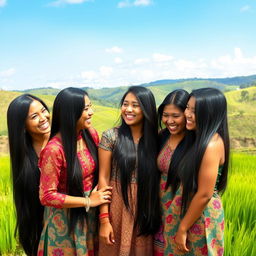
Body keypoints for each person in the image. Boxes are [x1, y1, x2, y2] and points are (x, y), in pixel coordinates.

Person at [37, 87, 112, 256]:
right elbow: (47, 195)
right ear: (71, 113)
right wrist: (87, 202)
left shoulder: (90, 134)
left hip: (90, 217)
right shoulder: (54, 149)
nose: (91, 112)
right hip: (65, 222)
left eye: (90, 106)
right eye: (86, 109)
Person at [157, 87, 230, 255]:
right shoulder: (196, 138)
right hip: (185, 213)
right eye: (187, 108)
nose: (187, 114)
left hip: (200, 217)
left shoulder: (212, 144)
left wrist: (183, 228)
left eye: (193, 111)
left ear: (209, 113)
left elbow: (205, 193)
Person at [98, 86, 161, 256]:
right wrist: (104, 220)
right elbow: (103, 178)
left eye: (135, 105)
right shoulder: (111, 136)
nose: (128, 109)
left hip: (146, 210)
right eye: (125, 104)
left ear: (146, 109)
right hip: (116, 208)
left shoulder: (158, 138)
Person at [7, 94, 51, 256]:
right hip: (44, 232)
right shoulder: (24, 160)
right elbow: (27, 208)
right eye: (34, 116)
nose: (43, 118)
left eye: (44, 110)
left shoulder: (63, 142)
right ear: (23, 125)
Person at [153, 89, 191, 255]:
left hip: (184, 210)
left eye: (176, 116)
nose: (169, 121)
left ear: (187, 114)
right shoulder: (162, 137)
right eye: (165, 115)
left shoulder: (196, 143)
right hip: (161, 208)